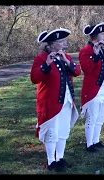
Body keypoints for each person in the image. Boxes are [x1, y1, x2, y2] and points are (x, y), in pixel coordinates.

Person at [30, 28, 82, 172]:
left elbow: (77, 72)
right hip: (50, 102)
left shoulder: (67, 57)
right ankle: (51, 161)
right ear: (51, 45)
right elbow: (34, 78)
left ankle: (60, 158)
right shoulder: (41, 58)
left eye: (65, 40)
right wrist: (46, 64)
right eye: (61, 41)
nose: (65, 43)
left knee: (63, 131)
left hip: (66, 100)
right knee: (52, 132)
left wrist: (66, 60)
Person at [79, 22, 104, 152]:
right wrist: (95, 54)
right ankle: (89, 144)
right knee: (92, 118)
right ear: (95, 36)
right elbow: (86, 68)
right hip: (94, 89)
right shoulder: (85, 50)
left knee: (101, 117)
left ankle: (96, 140)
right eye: (102, 34)